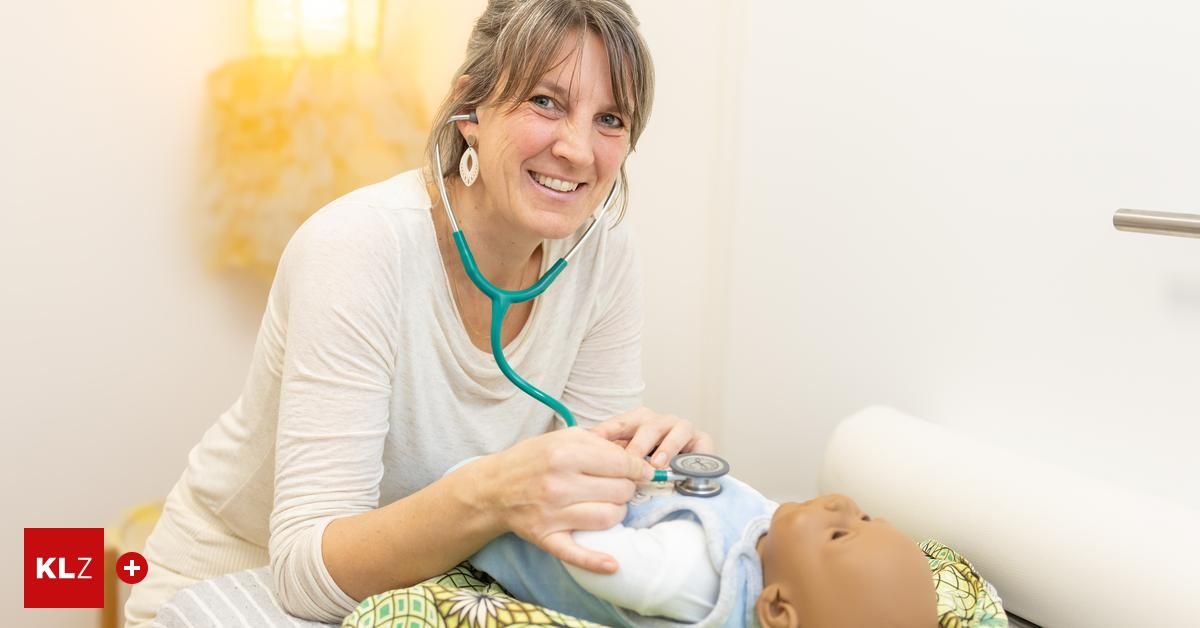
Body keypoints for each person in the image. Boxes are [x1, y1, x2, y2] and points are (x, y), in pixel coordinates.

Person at [123, 1, 713, 626]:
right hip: (241, 581)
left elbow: (589, 508)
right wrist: (492, 493)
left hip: (426, 591)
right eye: (545, 101)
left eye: (610, 118)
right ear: (471, 110)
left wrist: (657, 475)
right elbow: (302, 577)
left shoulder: (604, 256)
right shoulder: (357, 248)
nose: (576, 148)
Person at [470, 473, 941, 628]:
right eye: (863, 517)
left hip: (494, 513)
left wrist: (604, 484)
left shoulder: (690, 576)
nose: (844, 504)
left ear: (776, 608)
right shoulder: (770, 542)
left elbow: (591, 559)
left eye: (839, 534)